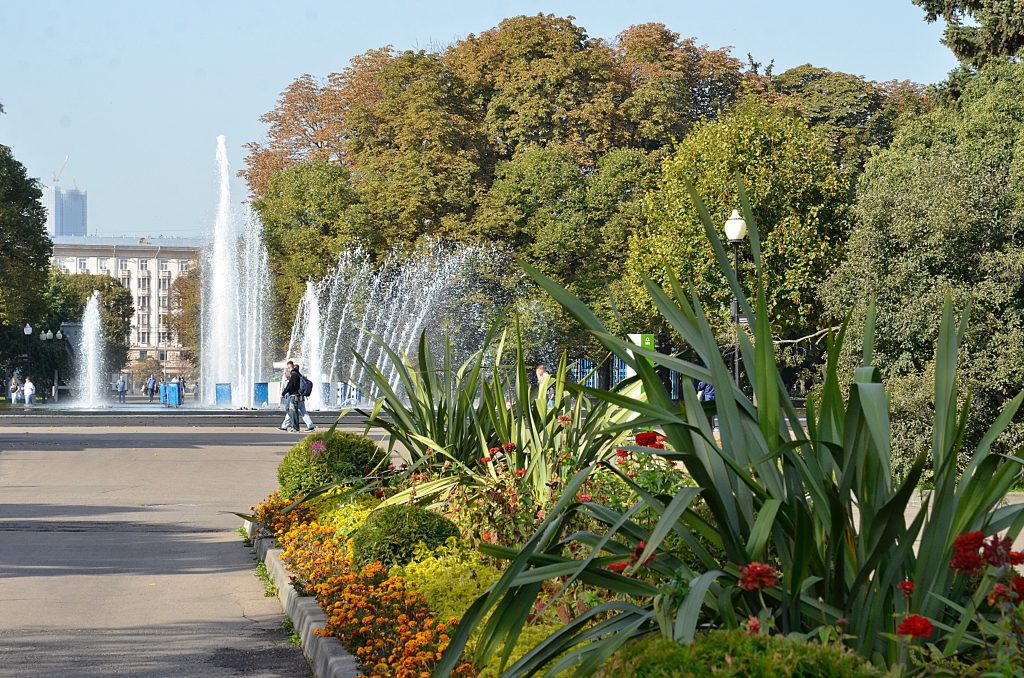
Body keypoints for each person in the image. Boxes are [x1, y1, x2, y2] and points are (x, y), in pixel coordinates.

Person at [279, 362, 301, 432]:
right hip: (296, 395)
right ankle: (287, 426)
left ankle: (295, 428)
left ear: (289, 367)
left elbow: (290, 386)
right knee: (291, 411)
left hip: (294, 395)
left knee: (293, 411)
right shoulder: (297, 374)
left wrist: (283, 393)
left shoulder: (294, 374)